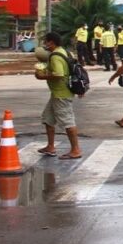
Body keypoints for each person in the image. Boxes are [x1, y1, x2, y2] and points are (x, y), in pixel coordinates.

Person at [34, 32, 81, 160]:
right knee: (48, 119)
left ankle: (76, 150)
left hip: (62, 94)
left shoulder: (55, 56)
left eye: (46, 42)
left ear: (51, 42)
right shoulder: (64, 51)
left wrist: (42, 76)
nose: (45, 45)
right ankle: (50, 146)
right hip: (57, 93)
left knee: (67, 122)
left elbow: (59, 74)